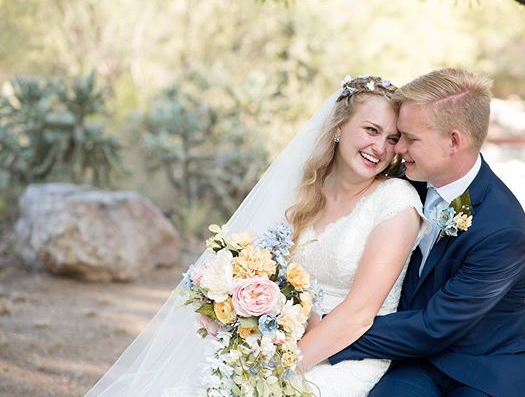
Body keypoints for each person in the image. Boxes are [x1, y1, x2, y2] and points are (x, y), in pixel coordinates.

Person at [85, 75, 429, 396]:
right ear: (339, 128)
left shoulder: (395, 200)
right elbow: (264, 270)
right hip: (278, 343)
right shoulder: (306, 191)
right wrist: (228, 307)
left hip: (345, 357)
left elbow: (358, 313)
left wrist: (274, 370)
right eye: (371, 130)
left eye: (392, 139)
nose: (380, 148)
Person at [326, 68, 525, 397]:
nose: (398, 148)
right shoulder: (403, 183)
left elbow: (435, 326)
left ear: (454, 141)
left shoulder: (501, 228)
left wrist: (334, 332)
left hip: (486, 367)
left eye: (410, 138)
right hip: (417, 360)